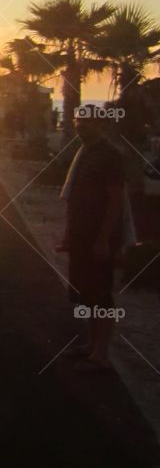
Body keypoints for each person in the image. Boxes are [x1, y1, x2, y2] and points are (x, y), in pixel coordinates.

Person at [57, 106, 135, 371]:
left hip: (100, 236)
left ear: (99, 124)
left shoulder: (110, 155)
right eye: (78, 120)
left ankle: (101, 354)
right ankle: (90, 345)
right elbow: (73, 196)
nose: (80, 126)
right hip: (81, 234)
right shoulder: (85, 152)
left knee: (101, 293)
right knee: (84, 292)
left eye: (86, 122)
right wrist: (68, 234)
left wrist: (103, 239)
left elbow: (116, 201)